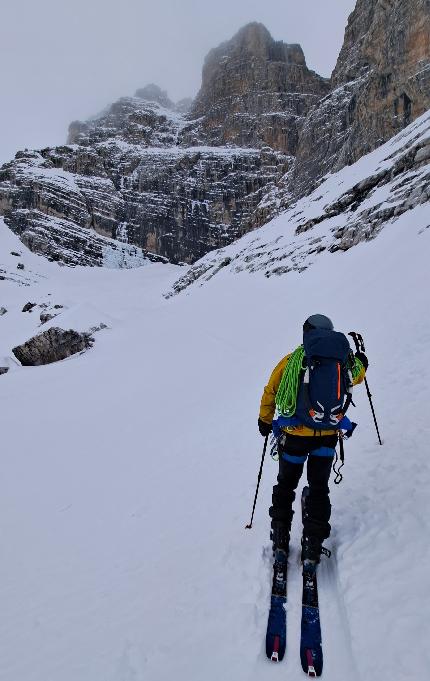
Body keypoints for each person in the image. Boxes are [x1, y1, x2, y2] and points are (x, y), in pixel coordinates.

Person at [257, 314, 368, 564]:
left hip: (294, 437)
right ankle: (313, 545)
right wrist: (362, 360)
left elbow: (271, 391)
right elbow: (357, 375)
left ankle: (280, 540)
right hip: (327, 437)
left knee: (286, 484)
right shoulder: (342, 362)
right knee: (319, 488)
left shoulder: (292, 361)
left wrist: (265, 420)